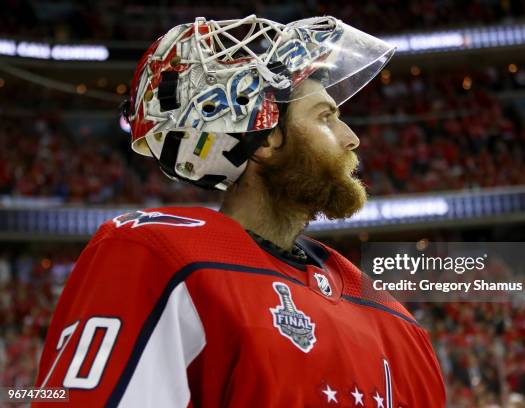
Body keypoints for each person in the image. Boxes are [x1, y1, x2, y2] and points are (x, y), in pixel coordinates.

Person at [34, 15, 445, 407]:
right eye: (326, 117)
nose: (352, 138)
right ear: (264, 137)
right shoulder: (158, 258)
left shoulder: (397, 322)